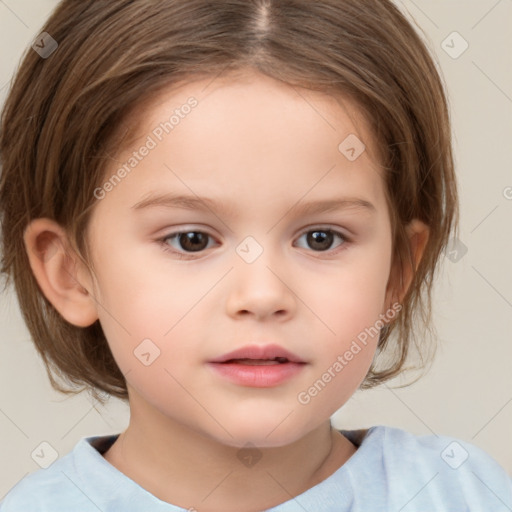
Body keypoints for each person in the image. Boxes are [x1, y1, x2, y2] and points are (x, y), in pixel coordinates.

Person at [0, 0, 510, 510]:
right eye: (191, 240)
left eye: (321, 238)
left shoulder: (462, 494)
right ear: (71, 273)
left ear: (397, 272)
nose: (262, 295)